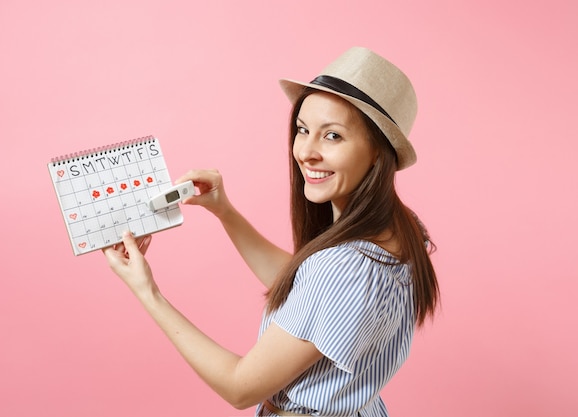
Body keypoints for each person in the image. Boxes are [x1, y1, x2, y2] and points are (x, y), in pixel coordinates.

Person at [103, 46, 439, 417]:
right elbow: (310, 291)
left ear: (378, 152)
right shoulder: (401, 232)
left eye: (333, 137)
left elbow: (239, 388)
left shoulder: (342, 266)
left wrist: (146, 291)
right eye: (303, 130)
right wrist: (225, 212)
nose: (306, 152)